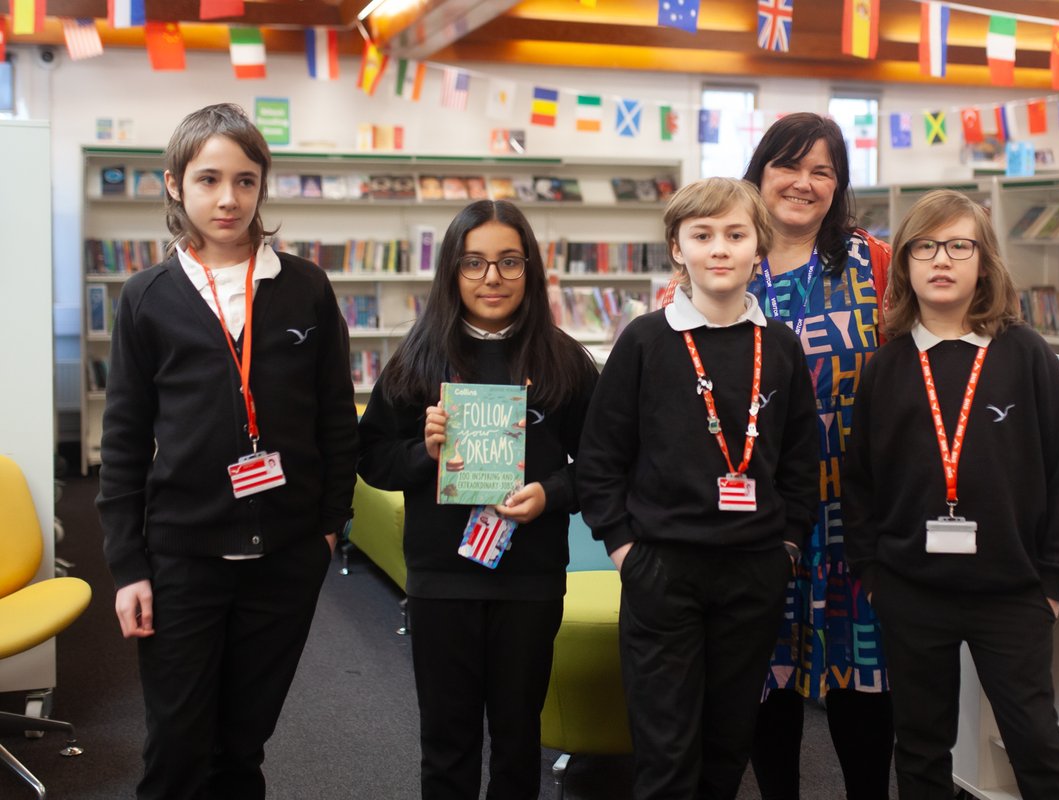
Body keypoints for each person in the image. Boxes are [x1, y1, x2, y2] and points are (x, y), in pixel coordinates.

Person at [95, 103, 359, 799]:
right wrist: (128, 567)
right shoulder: (147, 297)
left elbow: (337, 417)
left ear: (262, 186)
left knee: (243, 748)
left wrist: (328, 530)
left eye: (245, 180)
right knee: (178, 749)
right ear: (176, 184)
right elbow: (122, 440)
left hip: (286, 558)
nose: (228, 198)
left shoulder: (305, 288)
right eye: (209, 179)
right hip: (181, 558)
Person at [843, 189, 1059, 799]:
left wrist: (1053, 582)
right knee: (922, 746)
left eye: (960, 246)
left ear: (984, 261)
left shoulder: (1027, 355)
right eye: (925, 247)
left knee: (1036, 741)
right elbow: (860, 482)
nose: (942, 260)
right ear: (903, 263)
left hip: (1013, 594)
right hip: (912, 592)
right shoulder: (888, 365)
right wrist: (874, 572)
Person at [576, 176, 820, 799]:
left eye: (736, 235)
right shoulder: (644, 341)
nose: (720, 248)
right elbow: (601, 456)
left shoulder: (782, 348)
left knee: (727, 744)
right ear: (677, 248)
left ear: (757, 249)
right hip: (662, 569)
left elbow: (799, 460)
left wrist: (787, 546)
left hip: (754, 572)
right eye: (703, 235)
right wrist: (625, 550)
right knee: (664, 748)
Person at [357, 199, 597, 800]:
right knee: (447, 740)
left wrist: (552, 493)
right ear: (451, 272)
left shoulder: (565, 360)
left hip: (530, 578)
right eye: (474, 263)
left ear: (530, 271)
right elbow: (372, 459)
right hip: (443, 578)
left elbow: (604, 464)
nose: (492, 278)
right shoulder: (417, 359)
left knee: (518, 742)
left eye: (509, 262)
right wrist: (424, 454)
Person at [742, 112, 894, 800]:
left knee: (864, 678)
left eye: (822, 170)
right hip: (759, 514)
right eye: (788, 165)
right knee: (767, 677)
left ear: (839, 185)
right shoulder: (724, 256)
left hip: (856, 512)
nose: (803, 183)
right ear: (760, 171)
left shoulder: (877, 262)